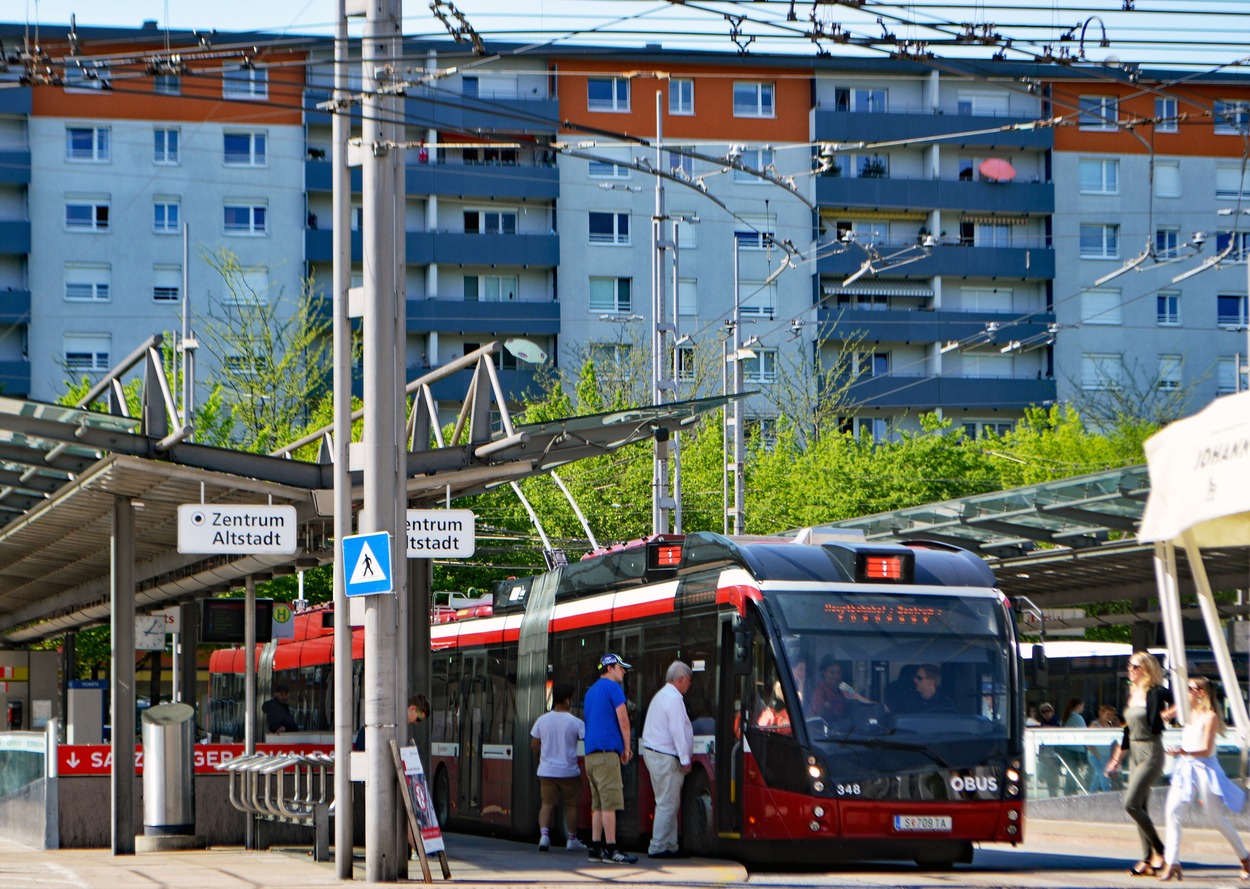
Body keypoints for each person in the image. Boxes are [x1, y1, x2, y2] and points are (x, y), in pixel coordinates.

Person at [1159, 676, 1249, 882]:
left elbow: (1207, 749)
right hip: (1185, 768)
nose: (1186, 692)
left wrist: (1184, 751)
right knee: (1173, 812)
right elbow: (1163, 716)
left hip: (1205, 769)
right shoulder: (1188, 712)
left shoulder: (1210, 716)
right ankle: (1171, 862)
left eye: (1190, 689)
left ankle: (1245, 858)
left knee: (1215, 818)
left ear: (1202, 692)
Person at [1103, 651, 1175, 877]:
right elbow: (1127, 730)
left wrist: (1167, 715)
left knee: (1131, 804)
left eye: (1135, 667)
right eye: (1129, 666)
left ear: (1146, 669)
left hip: (1151, 750)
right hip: (1134, 750)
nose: (1130, 670)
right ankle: (1147, 858)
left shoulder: (1155, 690)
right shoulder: (1133, 693)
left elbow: (1182, 700)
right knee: (1140, 807)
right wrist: (1116, 759)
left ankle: (1161, 851)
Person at [582, 653, 637, 864]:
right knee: (609, 804)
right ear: (611, 668)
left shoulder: (591, 692)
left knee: (597, 805)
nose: (624, 671)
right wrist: (626, 748)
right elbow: (623, 720)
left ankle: (595, 848)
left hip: (590, 756)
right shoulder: (613, 688)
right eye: (621, 668)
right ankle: (613, 849)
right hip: (607, 756)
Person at [640, 661, 694, 859]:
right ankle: (658, 846)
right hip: (666, 756)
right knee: (667, 803)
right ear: (680, 679)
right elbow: (677, 731)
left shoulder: (661, 696)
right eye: (688, 681)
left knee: (669, 801)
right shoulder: (674, 699)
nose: (689, 685)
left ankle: (670, 845)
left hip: (656, 754)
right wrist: (685, 758)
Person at [530, 682, 587, 853]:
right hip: (569, 771)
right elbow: (587, 742)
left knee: (546, 804)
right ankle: (571, 839)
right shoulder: (576, 723)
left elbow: (534, 744)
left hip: (547, 771)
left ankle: (544, 837)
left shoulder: (542, 720)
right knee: (571, 805)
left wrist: (542, 758)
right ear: (568, 701)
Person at [810, 656, 871, 722]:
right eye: (832, 672)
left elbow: (857, 696)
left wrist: (876, 705)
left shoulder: (842, 686)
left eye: (838, 673)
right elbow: (815, 717)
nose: (836, 676)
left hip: (845, 728)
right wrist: (826, 706)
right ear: (824, 673)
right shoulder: (820, 691)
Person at [1087, 704, 1122, 792]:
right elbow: (1088, 742)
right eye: (1108, 714)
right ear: (1101, 713)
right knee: (1103, 774)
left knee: (1098, 776)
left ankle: (1091, 794)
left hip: (1106, 755)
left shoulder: (1110, 725)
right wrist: (1097, 755)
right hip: (1095, 755)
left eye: (1112, 715)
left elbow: (1114, 742)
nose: (1110, 717)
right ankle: (1107, 794)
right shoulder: (1095, 725)